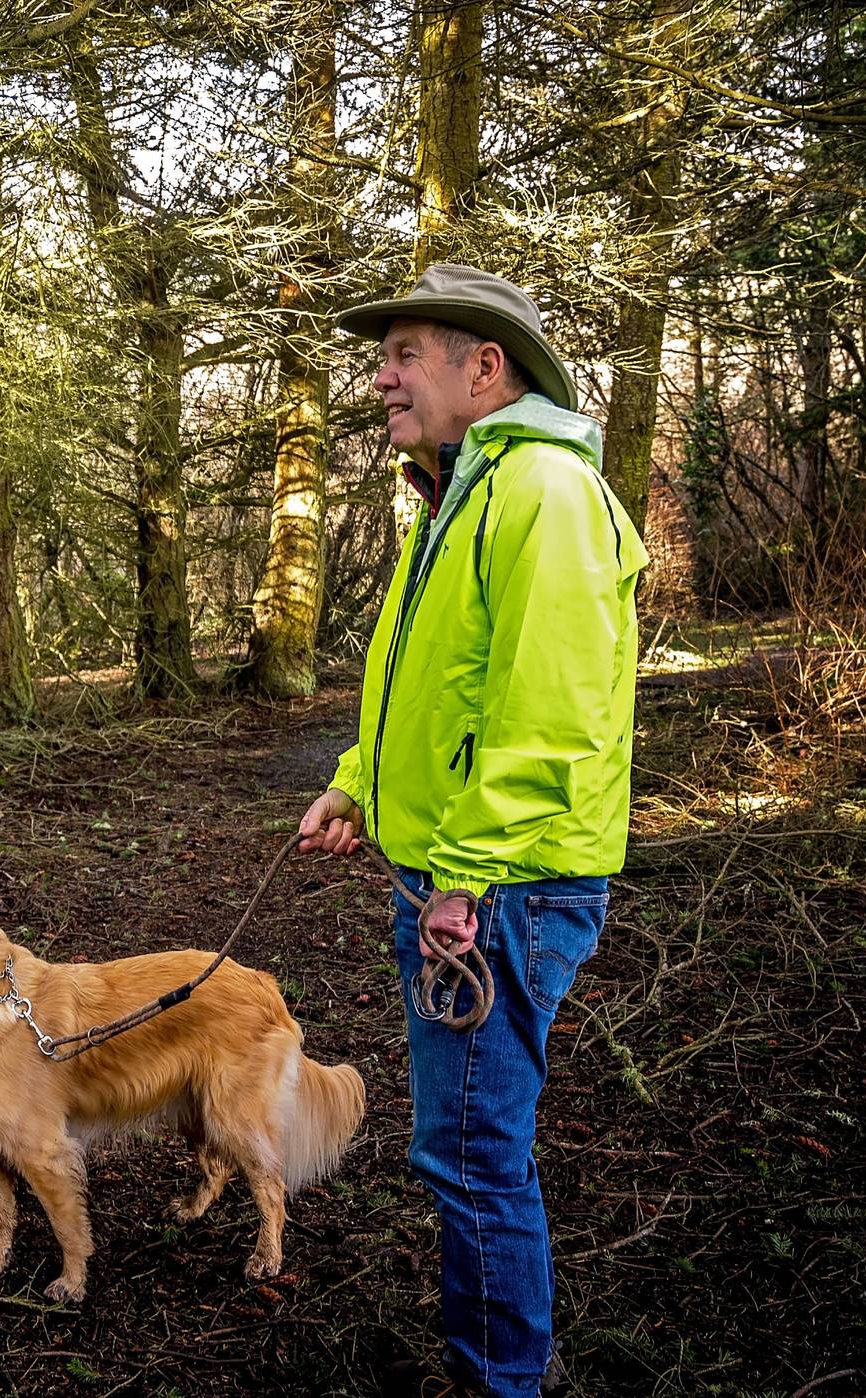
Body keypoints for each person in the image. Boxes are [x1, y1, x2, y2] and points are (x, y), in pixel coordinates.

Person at [296, 264, 648, 1398]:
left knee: (469, 1154)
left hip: (503, 886)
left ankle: (499, 1382)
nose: (381, 376)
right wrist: (356, 781)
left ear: (481, 368)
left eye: (403, 354)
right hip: (470, 875)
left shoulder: (539, 492)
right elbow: (426, 677)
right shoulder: (460, 492)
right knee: (460, 1149)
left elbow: (546, 713)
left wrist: (466, 880)